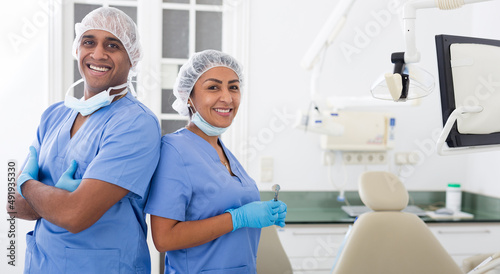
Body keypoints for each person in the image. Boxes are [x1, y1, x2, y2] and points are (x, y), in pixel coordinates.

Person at [8, 7, 161, 273]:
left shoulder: (136, 124)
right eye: (88, 42)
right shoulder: (54, 115)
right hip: (43, 264)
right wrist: (59, 199)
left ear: (131, 57)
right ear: (77, 49)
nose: (98, 53)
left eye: (113, 45)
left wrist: (27, 183)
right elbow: (14, 206)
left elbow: (74, 215)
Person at [144, 49, 287, 273]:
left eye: (233, 87)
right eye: (213, 87)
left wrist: (264, 213)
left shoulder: (224, 152)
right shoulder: (174, 150)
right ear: (188, 96)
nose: (227, 98)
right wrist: (238, 218)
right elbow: (164, 238)